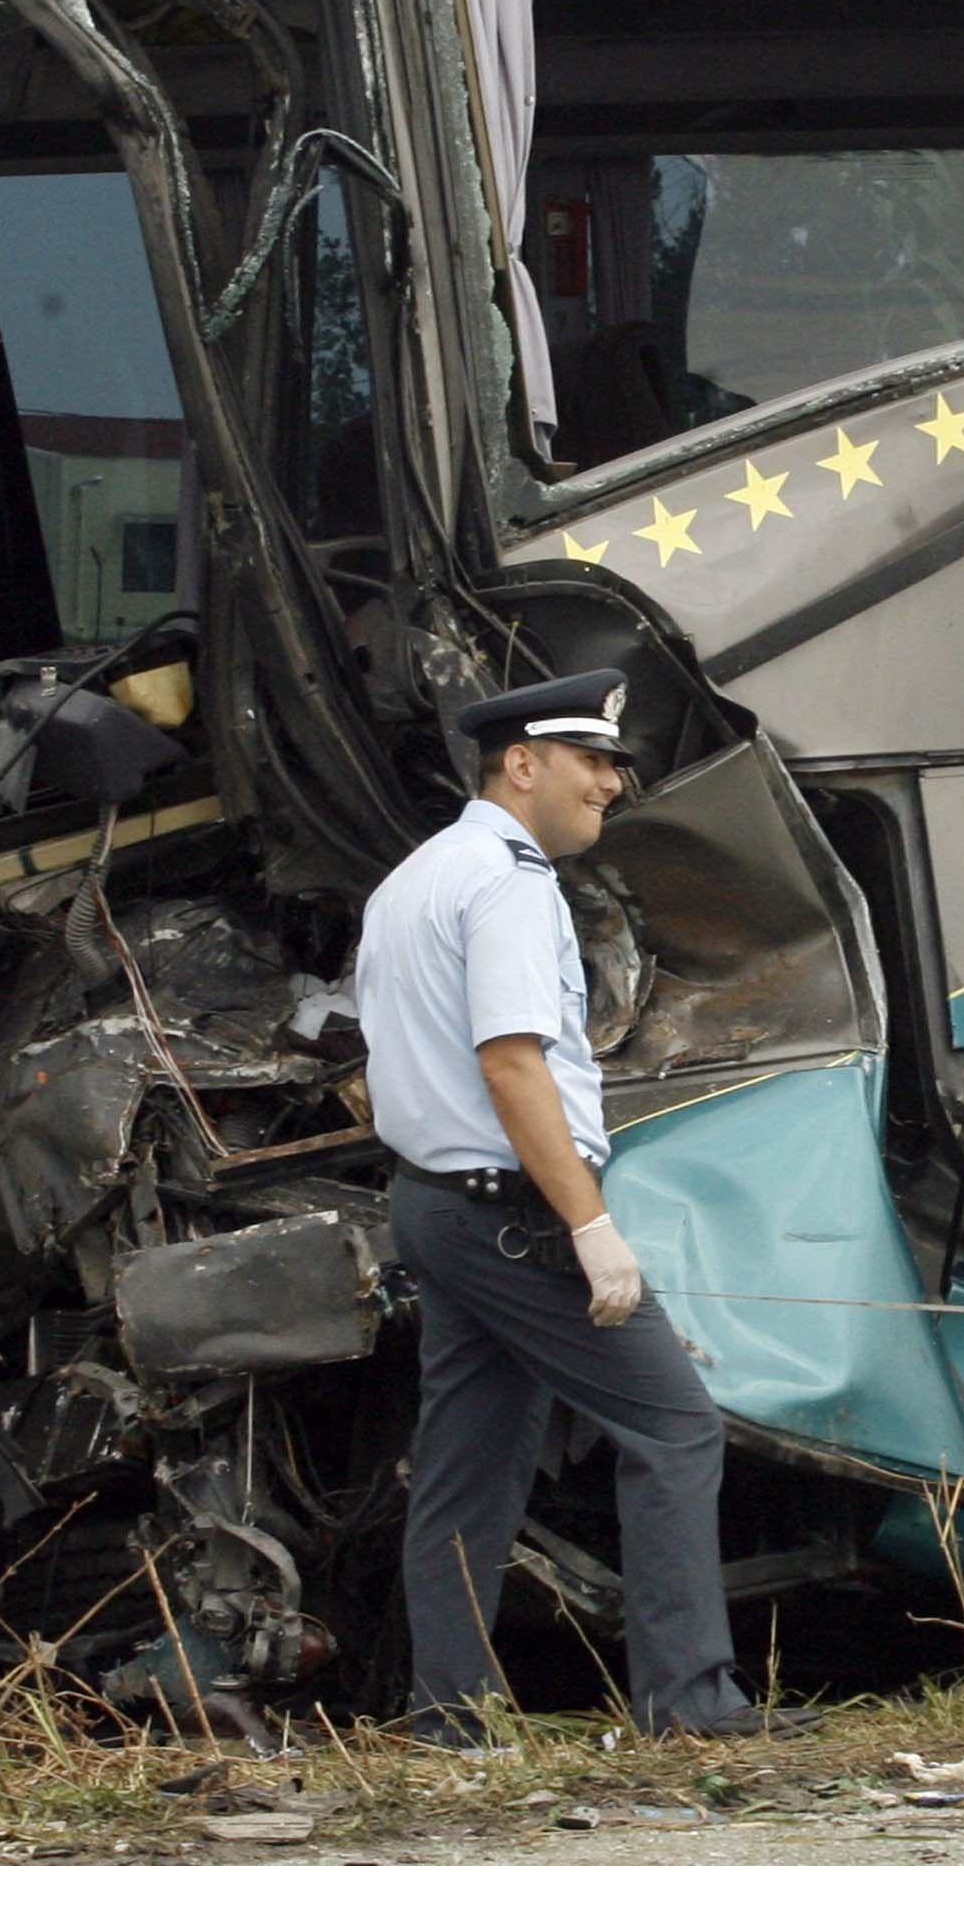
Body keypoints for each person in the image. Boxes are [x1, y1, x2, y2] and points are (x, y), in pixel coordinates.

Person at [357, 667, 771, 1738]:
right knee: (675, 1429)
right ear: (524, 763)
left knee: (469, 1466)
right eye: (594, 763)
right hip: (512, 1215)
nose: (612, 788)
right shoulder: (507, 882)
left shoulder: (414, 878)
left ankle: (448, 1713)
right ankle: (690, 1706)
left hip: (436, 1208)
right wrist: (589, 1226)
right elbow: (512, 1065)